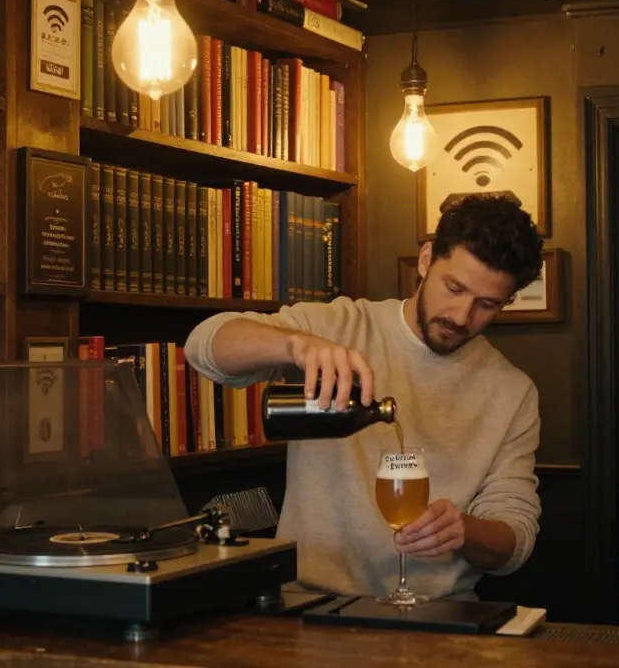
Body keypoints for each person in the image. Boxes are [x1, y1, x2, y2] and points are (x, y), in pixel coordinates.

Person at [183, 194, 544, 601]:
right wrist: (296, 345)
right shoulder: (339, 325)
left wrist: (464, 530)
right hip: (308, 603)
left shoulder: (511, 392)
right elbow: (204, 347)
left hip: (438, 615)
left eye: (487, 304)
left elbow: (515, 537)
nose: (461, 316)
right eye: (454, 288)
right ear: (426, 260)